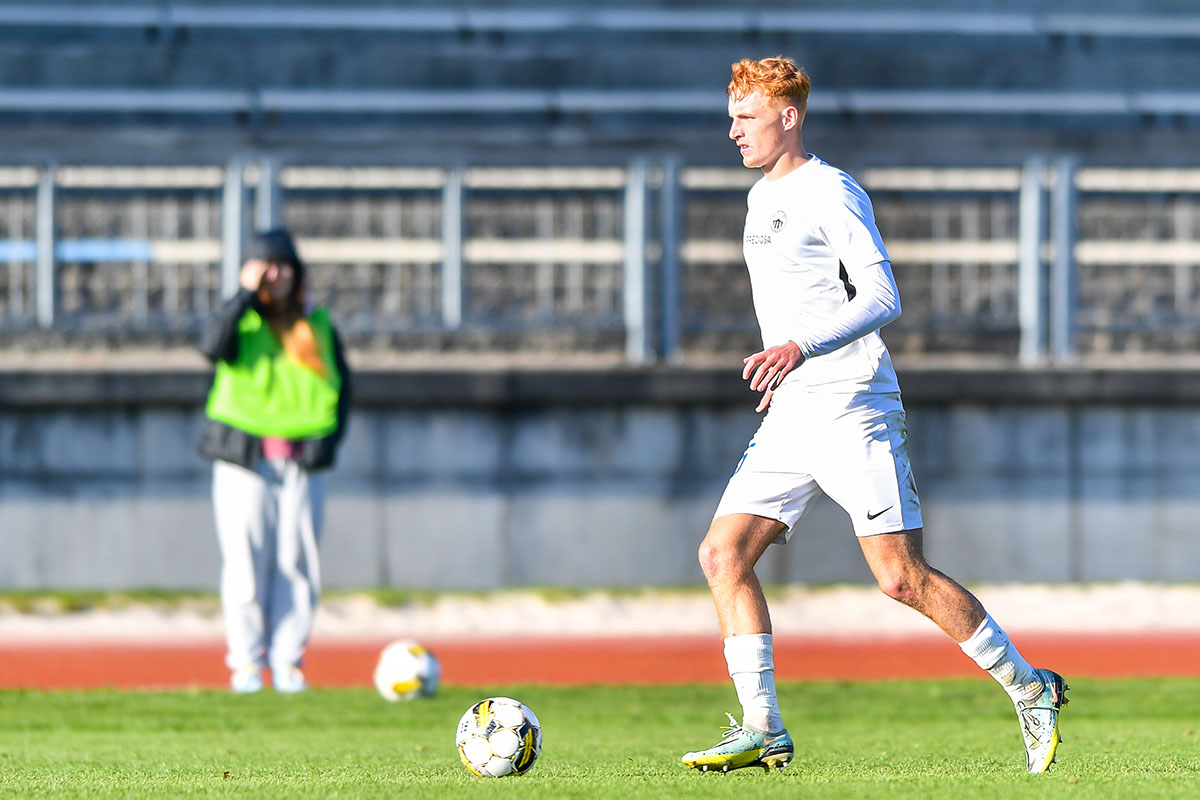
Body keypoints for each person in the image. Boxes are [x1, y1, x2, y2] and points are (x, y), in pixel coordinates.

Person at [681, 57, 1067, 774]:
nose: (732, 130)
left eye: (746, 117)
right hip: (794, 409)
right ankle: (764, 727)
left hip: (853, 404)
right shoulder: (760, 198)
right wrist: (787, 365)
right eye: (730, 116)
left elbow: (883, 296)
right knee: (721, 555)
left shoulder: (830, 190)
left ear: (788, 117)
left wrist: (799, 347)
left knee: (899, 578)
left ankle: (1030, 686)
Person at [198, 228, 352, 693]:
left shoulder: (316, 322)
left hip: (302, 459)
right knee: (245, 562)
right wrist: (244, 294)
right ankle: (246, 663)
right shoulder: (240, 320)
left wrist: (330, 442)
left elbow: (342, 386)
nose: (277, 275)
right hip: (245, 459)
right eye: (267, 266)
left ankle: (288, 662)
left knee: (297, 562)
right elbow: (211, 347)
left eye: (284, 266)